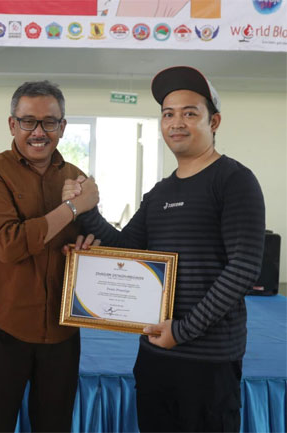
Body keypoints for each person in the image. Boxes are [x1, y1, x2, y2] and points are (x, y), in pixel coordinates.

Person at [73, 66, 265, 432]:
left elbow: (243, 268)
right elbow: (126, 248)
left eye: (190, 113)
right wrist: (86, 210)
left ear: (214, 121)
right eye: (168, 114)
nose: (176, 123)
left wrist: (182, 330)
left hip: (208, 360)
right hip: (155, 352)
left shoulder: (234, 180)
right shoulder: (159, 192)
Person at [0, 80, 98, 432]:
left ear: (62, 127)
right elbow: (9, 245)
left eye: (49, 122)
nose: (39, 132)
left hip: (61, 331)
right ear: (13, 124)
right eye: (28, 121)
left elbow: (90, 238)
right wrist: (72, 208)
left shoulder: (76, 178)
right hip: (2, 324)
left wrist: (90, 247)